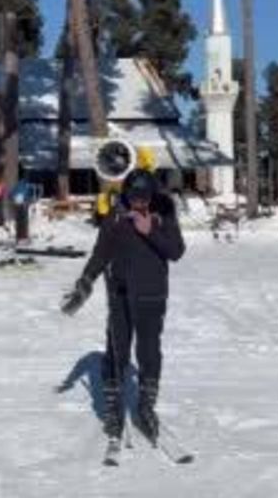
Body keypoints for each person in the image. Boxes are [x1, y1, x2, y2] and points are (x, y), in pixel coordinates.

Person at [59, 169, 185, 445]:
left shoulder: (164, 211)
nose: (139, 203)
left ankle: (146, 406)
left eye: (144, 198)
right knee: (117, 350)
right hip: (119, 293)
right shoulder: (116, 214)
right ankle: (114, 408)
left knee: (149, 351)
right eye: (134, 197)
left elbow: (176, 251)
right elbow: (101, 252)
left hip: (151, 294)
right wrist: (85, 281)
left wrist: (150, 231)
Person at [9, 169, 34, 244]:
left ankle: (19, 237)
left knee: (19, 221)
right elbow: (28, 194)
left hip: (17, 204)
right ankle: (23, 237)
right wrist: (29, 200)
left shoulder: (18, 184)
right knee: (24, 221)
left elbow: (11, 194)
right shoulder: (26, 185)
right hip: (23, 204)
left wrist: (12, 199)